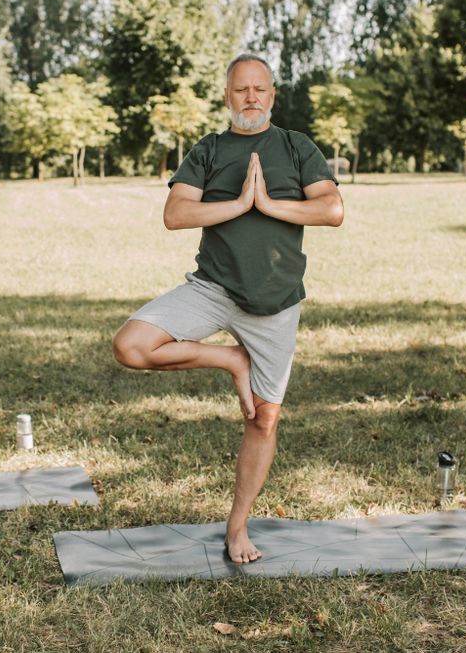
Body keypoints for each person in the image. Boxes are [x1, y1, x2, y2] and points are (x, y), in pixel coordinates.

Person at [112, 53, 344, 563]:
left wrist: (268, 204)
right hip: (213, 289)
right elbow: (176, 214)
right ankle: (230, 359)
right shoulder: (210, 149)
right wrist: (237, 205)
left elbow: (331, 209)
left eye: (259, 89)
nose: (251, 98)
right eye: (241, 90)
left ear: (272, 95)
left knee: (263, 420)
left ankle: (237, 528)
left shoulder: (295, 146)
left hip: (276, 303)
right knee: (130, 345)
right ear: (227, 96)